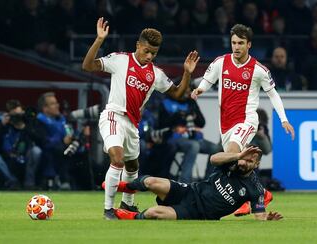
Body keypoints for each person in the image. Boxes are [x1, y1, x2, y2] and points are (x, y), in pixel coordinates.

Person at [82, 17, 199, 220]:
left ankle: (127, 204)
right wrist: (100, 40)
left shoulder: (156, 74)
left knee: (133, 166)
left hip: (132, 125)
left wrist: (187, 74)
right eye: (146, 51)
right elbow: (88, 65)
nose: (149, 56)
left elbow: (178, 95)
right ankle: (108, 209)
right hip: (113, 116)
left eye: (154, 53)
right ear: (138, 45)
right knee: (117, 159)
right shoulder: (120, 60)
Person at [191, 24, 295, 217]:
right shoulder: (221, 62)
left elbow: (273, 95)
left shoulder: (259, 70)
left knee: (231, 153)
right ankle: (259, 193)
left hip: (246, 121)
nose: (236, 47)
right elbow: (208, 80)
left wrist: (283, 120)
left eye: (240, 43)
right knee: (236, 163)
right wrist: (200, 90)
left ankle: (248, 199)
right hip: (225, 123)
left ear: (249, 45)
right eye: (233, 42)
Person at [110, 146, 283, 221]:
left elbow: (259, 214)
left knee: (154, 213)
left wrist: (266, 218)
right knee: (150, 181)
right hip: (190, 192)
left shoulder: (255, 189)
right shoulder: (231, 162)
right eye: (244, 158)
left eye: (250, 161)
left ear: (257, 165)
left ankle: (131, 217)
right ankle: (128, 187)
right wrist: (237, 155)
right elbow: (214, 159)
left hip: (198, 212)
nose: (244, 163)